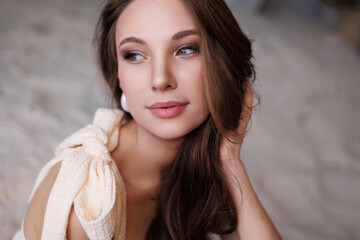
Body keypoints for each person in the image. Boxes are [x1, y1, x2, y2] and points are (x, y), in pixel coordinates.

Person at [14, 0, 282, 239]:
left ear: (221, 63)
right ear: (119, 77)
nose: (160, 79)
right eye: (134, 55)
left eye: (186, 49)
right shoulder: (86, 202)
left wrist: (231, 162)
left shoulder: (204, 162)